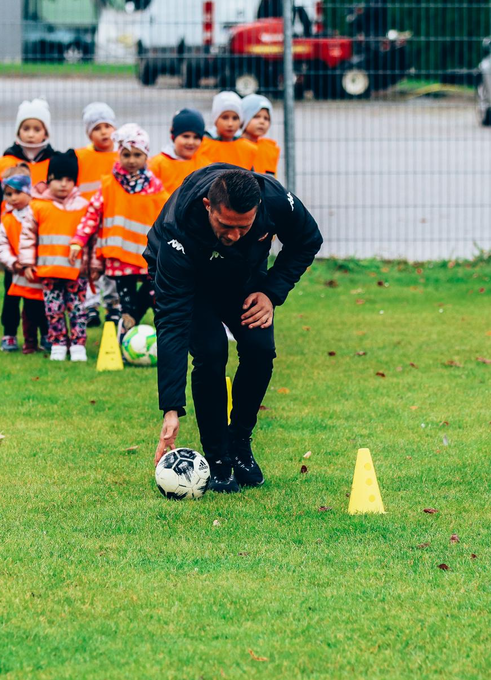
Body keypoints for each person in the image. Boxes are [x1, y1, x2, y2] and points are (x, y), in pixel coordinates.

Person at [146, 165, 323, 492]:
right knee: (211, 352)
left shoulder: (275, 200)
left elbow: (308, 240)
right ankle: (218, 459)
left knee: (260, 349)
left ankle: (239, 444)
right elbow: (172, 323)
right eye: (225, 225)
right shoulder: (178, 228)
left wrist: (271, 292)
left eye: (244, 226)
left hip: (243, 279)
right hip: (191, 282)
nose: (234, 235)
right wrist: (171, 409)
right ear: (207, 206)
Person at [71, 124, 168, 337]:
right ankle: (125, 338)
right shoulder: (109, 185)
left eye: (137, 154)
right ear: (119, 155)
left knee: (155, 295)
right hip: (120, 256)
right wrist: (78, 240)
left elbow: (166, 219)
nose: (131, 160)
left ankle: (158, 337)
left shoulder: (155, 186)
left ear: (146, 156)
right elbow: (92, 213)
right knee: (126, 302)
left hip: (148, 255)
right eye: (126, 154)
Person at [31, 151, 93, 361]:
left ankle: (78, 345)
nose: (63, 184)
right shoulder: (38, 205)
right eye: (58, 179)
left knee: (77, 309)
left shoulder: (84, 206)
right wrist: (26, 263)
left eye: (69, 179)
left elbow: (92, 238)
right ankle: (57, 343)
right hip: (49, 270)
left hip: (77, 272)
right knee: (53, 310)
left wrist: (93, 265)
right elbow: (28, 237)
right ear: (49, 180)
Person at [75, 102, 122, 328]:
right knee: (88, 266)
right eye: (97, 128)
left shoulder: (123, 156)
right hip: (88, 223)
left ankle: (113, 305)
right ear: (89, 133)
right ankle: (90, 305)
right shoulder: (80, 157)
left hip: (112, 223)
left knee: (111, 266)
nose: (104, 132)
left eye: (107, 126)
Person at [0, 166, 46, 353]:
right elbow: (1, 243)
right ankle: (12, 334)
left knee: (41, 303)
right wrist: (12, 262)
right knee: (13, 303)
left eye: (17, 193)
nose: (13, 198)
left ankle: (46, 335)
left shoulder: (39, 212)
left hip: (38, 269)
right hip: (16, 270)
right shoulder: (8, 219)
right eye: (8, 194)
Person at [148, 108, 208, 195]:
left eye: (196, 137)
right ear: (173, 137)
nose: (191, 142)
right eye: (186, 136)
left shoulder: (204, 165)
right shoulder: (156, 165)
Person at [197, 91, 257, 170]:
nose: (230, 124)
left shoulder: (247, 148)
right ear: (215, 119)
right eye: (225, 117)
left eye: (235, 118)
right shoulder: (203, 146)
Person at [239, 94, 280, 176]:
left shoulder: (270, 148)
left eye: (266, 118)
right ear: (243, 118)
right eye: (256, 117)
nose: (262, 122)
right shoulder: (234, 146)